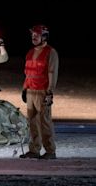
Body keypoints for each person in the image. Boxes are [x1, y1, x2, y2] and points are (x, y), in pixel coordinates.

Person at [20, 24, 59, 160]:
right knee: (32, 122)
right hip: (31, 91)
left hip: (42, 91)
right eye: (33, 35)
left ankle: (50, 150)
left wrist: (50, 92)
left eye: (36, 35)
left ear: (44, 36)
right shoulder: (30, 52)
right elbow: (28, 73)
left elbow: (52, 73)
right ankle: (34, 150)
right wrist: (25, 88)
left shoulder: (50, 52)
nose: (34, 37)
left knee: (45, 122)